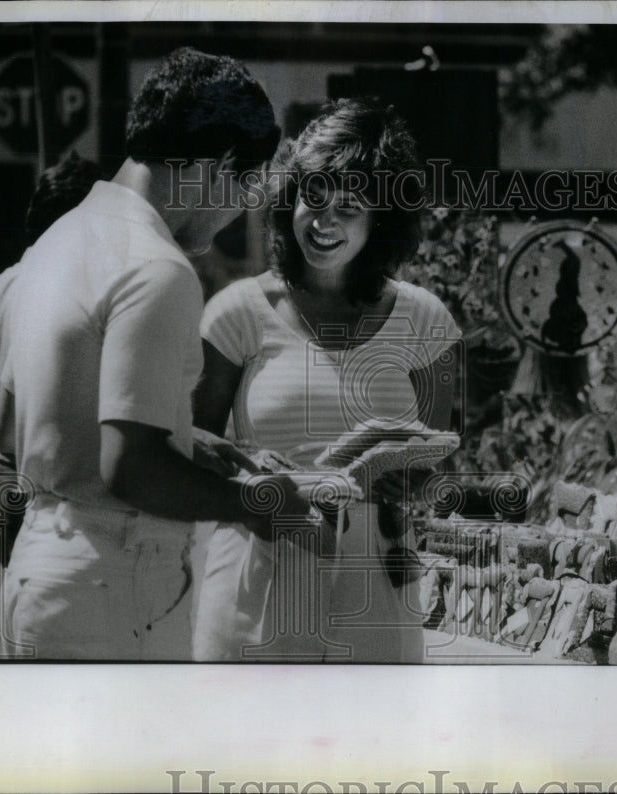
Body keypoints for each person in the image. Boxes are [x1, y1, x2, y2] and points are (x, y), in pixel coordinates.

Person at [0, 47, 311, 660]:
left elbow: (31, 426)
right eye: (248, 186)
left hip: (41, 569)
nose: (243, 207)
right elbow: (130, 468)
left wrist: (191, 440)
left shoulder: (59, 240)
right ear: (220, 166)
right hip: (115, 581)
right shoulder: (157, 266)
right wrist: (257, 506)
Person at [192, 98, 461, 662]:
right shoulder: (236, 311)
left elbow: (440, 458)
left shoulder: (427, 319)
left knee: (374, 747)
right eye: (313, 197)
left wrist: (407, 482)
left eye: (350, 206)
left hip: (376, 584)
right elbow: (185, 442)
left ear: (381, 218)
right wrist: (247, 471)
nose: (324, 221)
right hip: (258, 571)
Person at [0, 151, 102, 567]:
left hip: (0, 474)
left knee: (20, 617)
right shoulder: (64, 290)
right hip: (36, 482)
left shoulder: (2, 282)